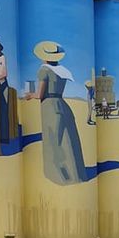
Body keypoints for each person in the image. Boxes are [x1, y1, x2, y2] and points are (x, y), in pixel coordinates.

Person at [27, 41, 88, 185]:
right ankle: (76, 175)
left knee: (54, 140)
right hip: (62, 104)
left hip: (49, 105)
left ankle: (60, 176)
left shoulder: (44, 70)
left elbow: (40, 94)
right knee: (68, 140)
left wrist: (30, 95)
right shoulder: (62, 71)